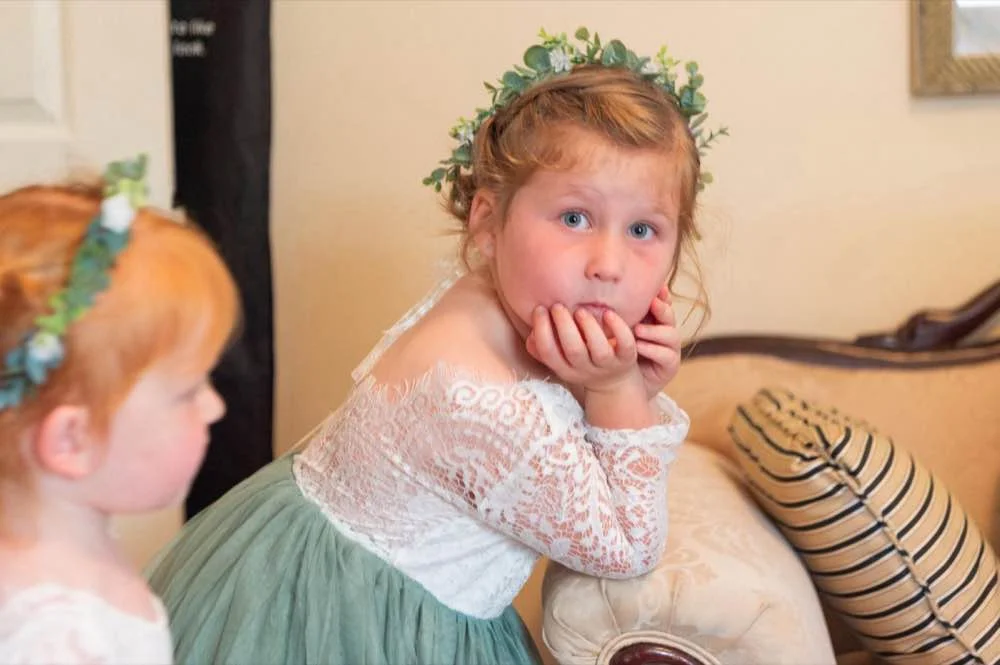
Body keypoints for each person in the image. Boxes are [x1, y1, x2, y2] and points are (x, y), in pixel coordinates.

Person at [147, 27, 725, 665]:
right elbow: (627, 549)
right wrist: (618, 390)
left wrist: (625, 386)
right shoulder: (477, 401)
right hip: (356, 619)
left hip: (322, 560)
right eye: (574, 218)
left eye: (643, 228)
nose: (607, 263)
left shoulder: (493, 293)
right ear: (487, 222)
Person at [0, 156, 240, 664]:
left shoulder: (66, 538)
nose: (215, 407)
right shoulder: (58, 641)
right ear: (72, 440)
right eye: (189, 390)